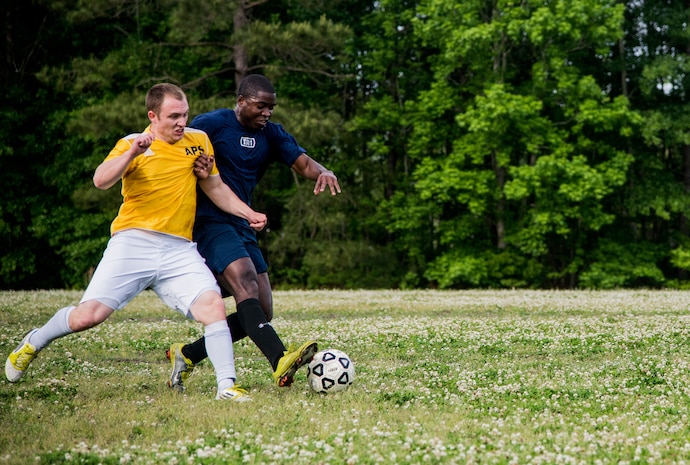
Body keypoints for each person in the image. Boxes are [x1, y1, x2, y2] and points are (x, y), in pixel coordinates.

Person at [5, 83, 267, 402]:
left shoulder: (198, 141)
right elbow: (101, 180)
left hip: (179, 249)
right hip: (133, 243)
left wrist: (248, 212)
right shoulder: (132, 143)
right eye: (173, 116)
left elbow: (215, 187)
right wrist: (132, 153)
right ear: (152, 116)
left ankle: (226, 386)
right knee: (88, 316)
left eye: (184, 114)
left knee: (212, 305)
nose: (182, 122)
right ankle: (35, 340)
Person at [166, 74, 341, 390]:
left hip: (243, 221)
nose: (268, 113)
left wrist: (323, 170)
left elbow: (302, 163)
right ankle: (280, 361)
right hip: (208, 221)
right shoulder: (213, 124)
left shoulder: (271, 134)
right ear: (242, 101)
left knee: (262, 309)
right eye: (261, 106)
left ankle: (188, 353)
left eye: (271, 108)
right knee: (245, 279)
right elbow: (174, 145)